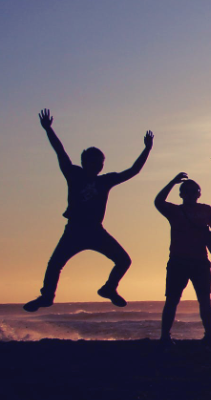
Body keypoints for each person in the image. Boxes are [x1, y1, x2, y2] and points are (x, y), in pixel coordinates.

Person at [23, 109, 152, 312]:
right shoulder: (73, 173)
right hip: (74, 230)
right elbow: (60, 151)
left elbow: (133, 171)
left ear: (102, 165)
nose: (97, 166)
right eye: (92, 162)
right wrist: (49, 129)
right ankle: (47, 296)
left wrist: (147, 149)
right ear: (84, 162)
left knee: (124, 260)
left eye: (100, 163)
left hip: (95, 230)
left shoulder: (106, 180)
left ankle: (109, 288)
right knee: (55, 264)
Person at [154, 172, 211, 349]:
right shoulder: (175, 210)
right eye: (188, 192)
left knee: (204, 299)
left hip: (199, 261)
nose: (191, 195)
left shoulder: (206, 209)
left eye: (194, 192)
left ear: (198, 194)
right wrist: (172, 182)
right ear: (182, 194)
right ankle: (165, 336)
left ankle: (209, 336)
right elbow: (158, 202)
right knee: (172, 300)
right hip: (178, 261)